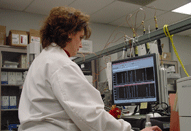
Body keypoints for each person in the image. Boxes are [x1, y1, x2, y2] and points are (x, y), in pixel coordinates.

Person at [18, 6, 162, 131]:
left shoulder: (42, 60)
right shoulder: (60, 63)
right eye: (80, 37)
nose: (81, 45)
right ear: (69, 33)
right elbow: (90, 116)